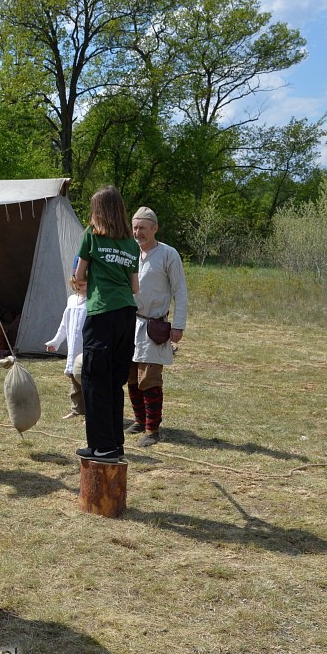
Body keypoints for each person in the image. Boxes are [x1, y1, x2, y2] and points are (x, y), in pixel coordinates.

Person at [73, 186, 140, 463]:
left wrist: (86, 283)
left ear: (98, 211)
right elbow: (135, 287)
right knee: (114, 382)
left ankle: (101, 447)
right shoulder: (131, 244)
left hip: (102, 314)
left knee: (94, 379)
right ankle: (113, 443)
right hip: (127, 315)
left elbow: (78, 277)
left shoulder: (92, 235)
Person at [125, 207, 187, 448]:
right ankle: (140, 420)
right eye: (135, 227)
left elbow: (180, 292)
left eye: (142, 227)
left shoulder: (168, 255)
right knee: (130, 375)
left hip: (154, 325)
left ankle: (153, 429)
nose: (137, 232)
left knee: (149, 378)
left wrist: (178, 326)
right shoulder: (130, 252)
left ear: (154, 228)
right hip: (130, 321)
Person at [45, 267, 87, 419]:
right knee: (74, 378)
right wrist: (55, 342)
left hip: (85, 346)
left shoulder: (93, 301)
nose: (78, 285)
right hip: (73, 346)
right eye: (76, 282)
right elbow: (64, 324)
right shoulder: (71, 300)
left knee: (86, 379)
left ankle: (90, 413)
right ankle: (77, 410)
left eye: (82, 282)